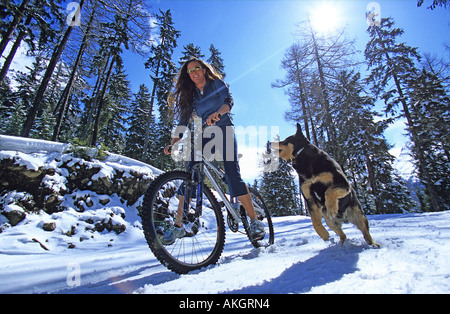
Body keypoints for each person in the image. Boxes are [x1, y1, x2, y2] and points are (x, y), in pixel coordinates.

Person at [163, 57, 265, 244]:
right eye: (190, 71)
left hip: (224, 129)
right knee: (190, 174)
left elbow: (228, 101)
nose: (194, 72)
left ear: (203, 69)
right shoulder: (191, 95)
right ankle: (178, 226)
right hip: (206, 134)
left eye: (197, 68)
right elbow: (183, 122)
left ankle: (255, 222)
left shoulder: (215, 83)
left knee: (233, 175)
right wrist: (174, 143)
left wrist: (218, 113)